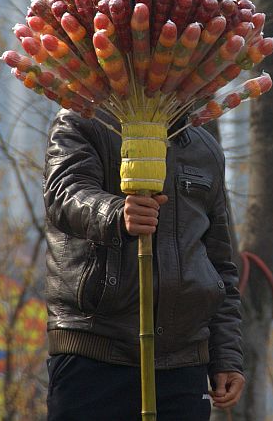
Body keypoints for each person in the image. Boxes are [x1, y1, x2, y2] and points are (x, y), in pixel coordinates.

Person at [43, 109, 245, 420]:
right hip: (93, 350)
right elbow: (64, 194)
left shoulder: (204, 147)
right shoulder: (82, 119)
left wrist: (226, 355)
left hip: (183, 362)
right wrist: (115, 214)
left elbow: (219, 262)